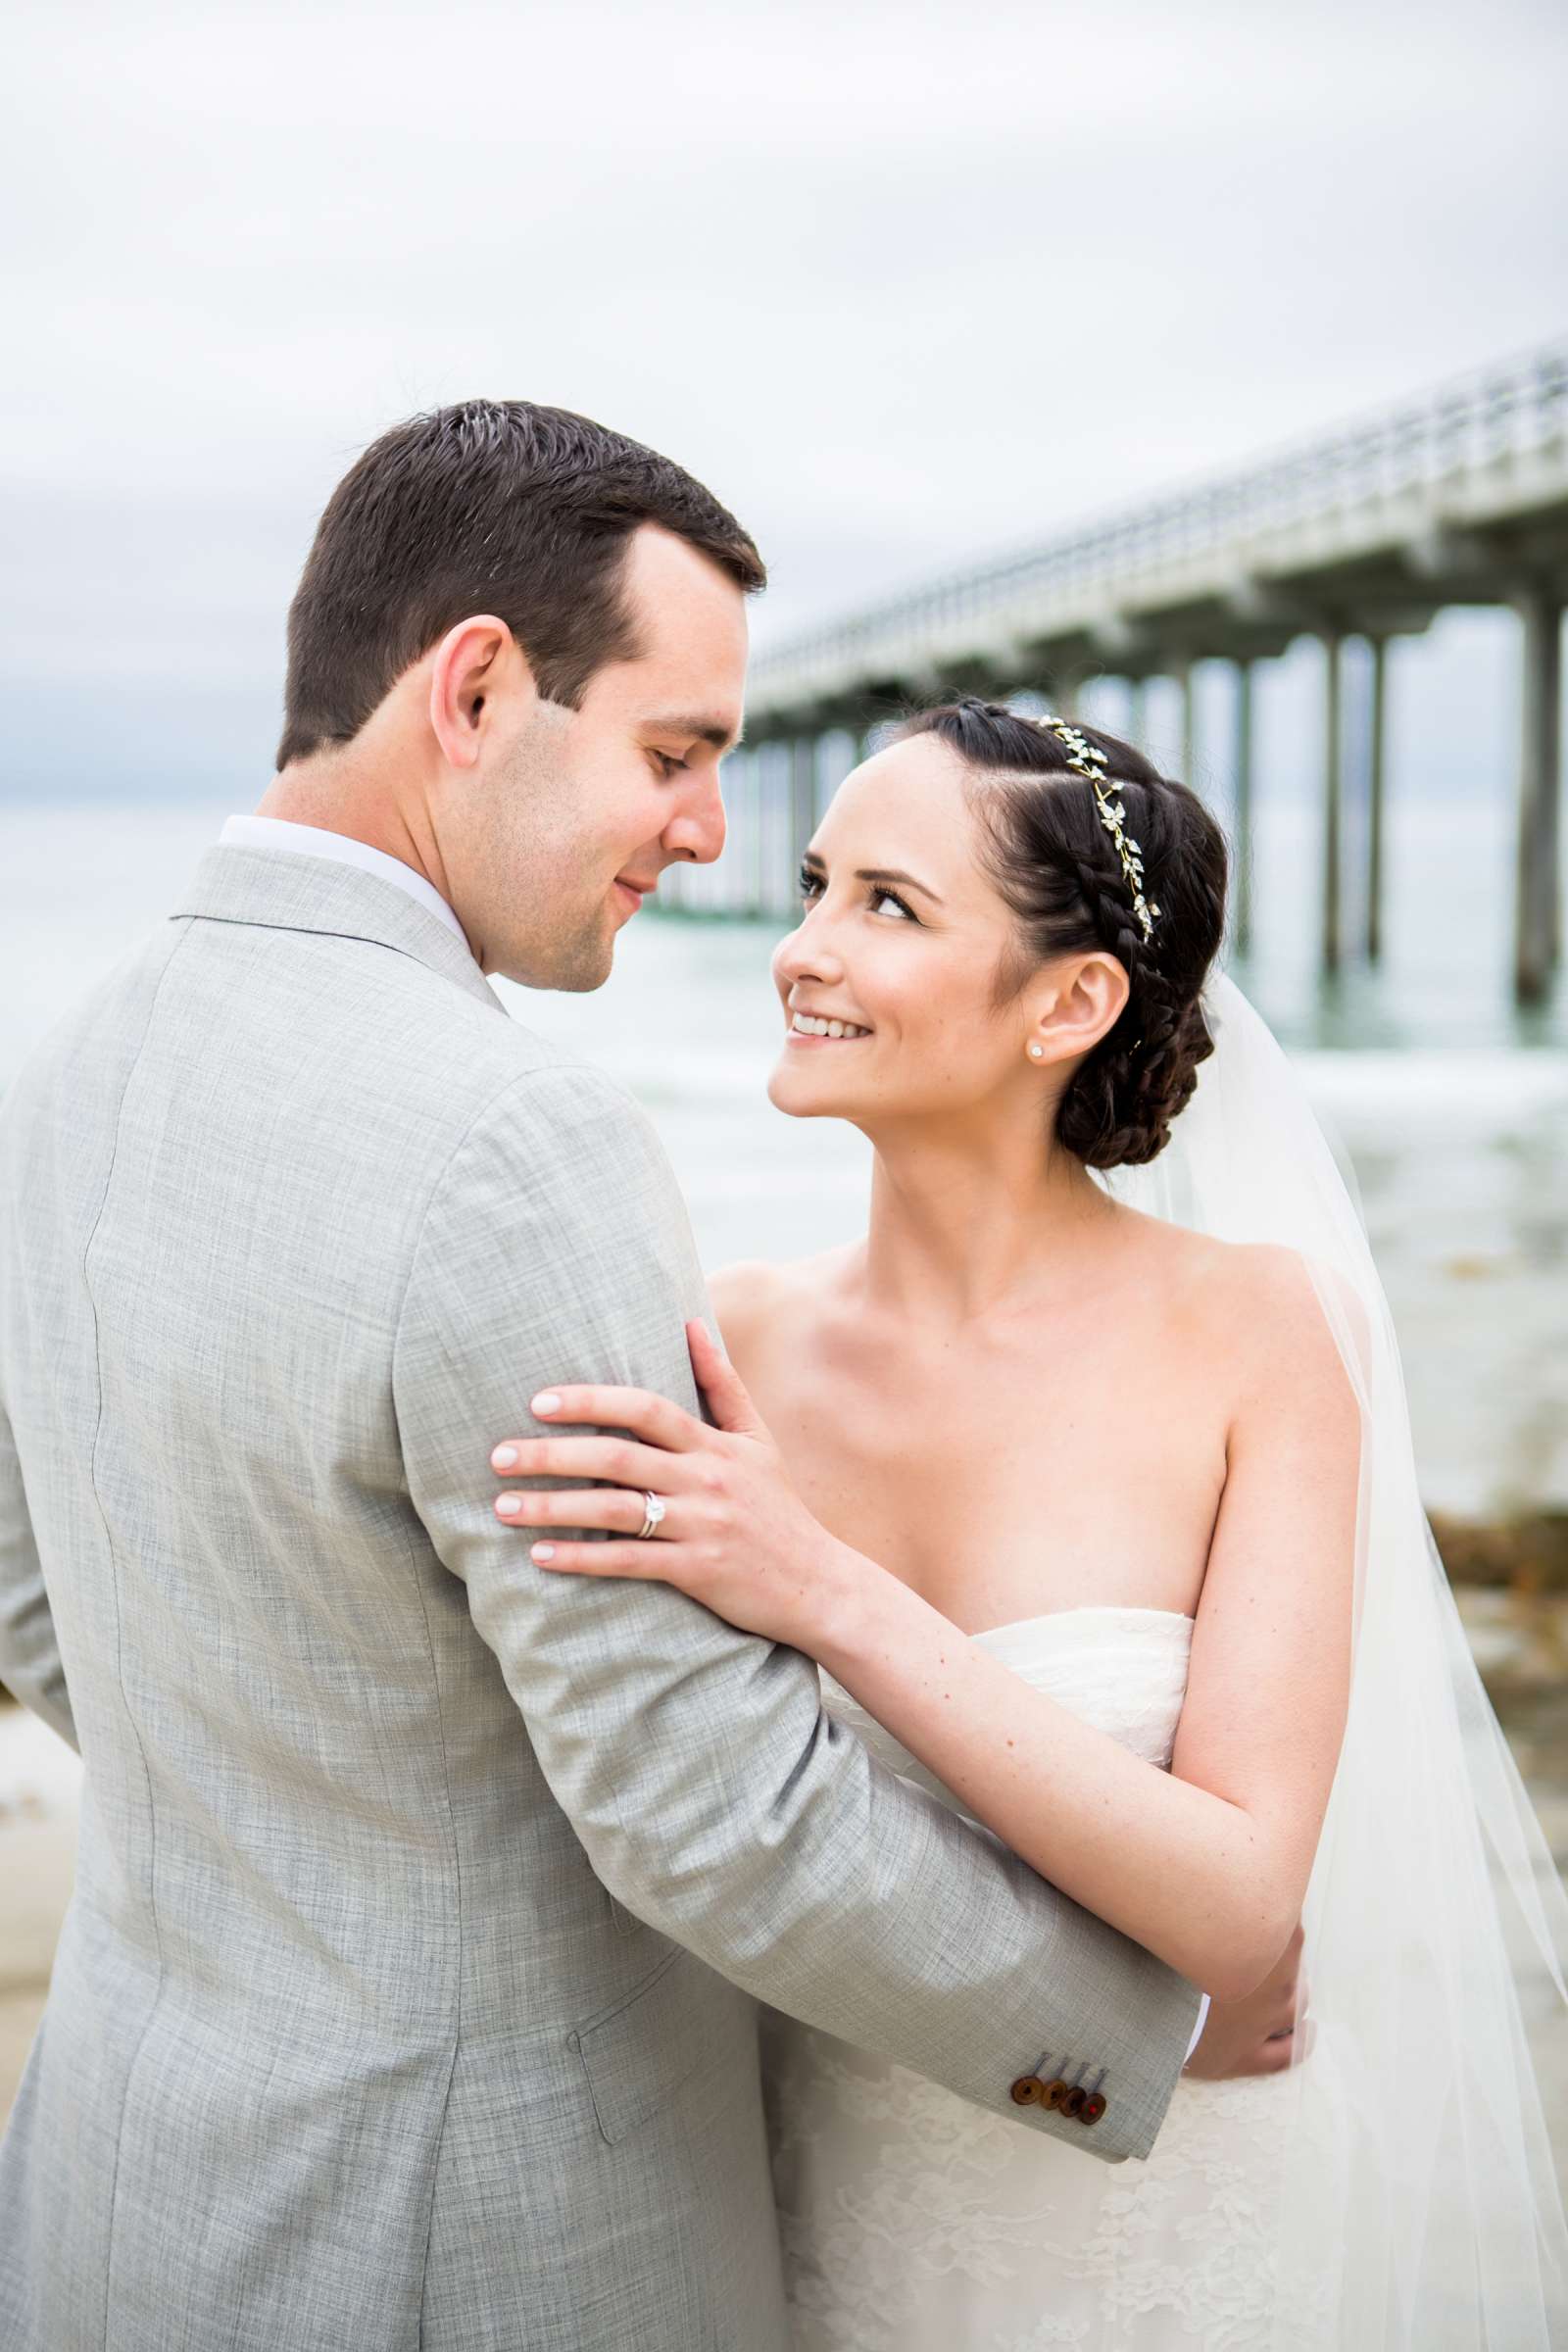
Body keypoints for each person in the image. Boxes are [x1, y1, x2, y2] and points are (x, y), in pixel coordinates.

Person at [0, 406, 1234, 2352]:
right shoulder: (507, 1145)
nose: (711, 834)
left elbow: (35, 1592)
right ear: (475, 690)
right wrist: (1126, 2032)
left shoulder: (59, 1069)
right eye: (671, 753)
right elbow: (701, 1812)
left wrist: (333, 1785)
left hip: (115, 2186)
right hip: (466, 2245)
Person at [488, 700, 1568, 2346]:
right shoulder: (720, 1340)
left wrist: (827, 1591)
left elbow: (1237, 1909)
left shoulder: (1258, 1334)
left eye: (888, 906)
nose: (800, 950)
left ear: (1070, 1000)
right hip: (806, 2220)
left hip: (1158, 2233)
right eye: (816, 883)